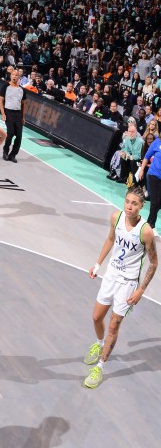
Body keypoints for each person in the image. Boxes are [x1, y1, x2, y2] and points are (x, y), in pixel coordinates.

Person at [83, 187, 157, 388]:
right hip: (111, 275)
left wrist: (140, 290)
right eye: (127, 201)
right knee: (96, 317)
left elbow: (153, 263)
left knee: (114, 326)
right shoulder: (116, 217)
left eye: (135, 203)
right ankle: (99, 345)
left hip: (128, 283)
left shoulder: (146, 231)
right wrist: (98, 265)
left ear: (142, 206)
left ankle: (100, 367)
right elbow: (110, 239)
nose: (129, 206)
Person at [0, 67, 26, 162]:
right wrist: (3, 113)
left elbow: (23, 105)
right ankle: (5, 152)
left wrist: (23, 117)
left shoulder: (22, 90)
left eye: (16, 75)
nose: (14, 76)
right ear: (10, 76)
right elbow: (1, 100)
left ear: (19, 77)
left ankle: (13, 155)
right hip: (8, 112)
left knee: (19, 135)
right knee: (10, 133)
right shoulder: (5, 86)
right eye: (13, 75)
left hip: (18, 114)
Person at [137, 133, 161, 228]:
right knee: (155, 201)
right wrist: (142, 170)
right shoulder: (156, 142)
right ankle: (150, 225)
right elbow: (147, 156)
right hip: (154, 175)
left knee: (158, 202)